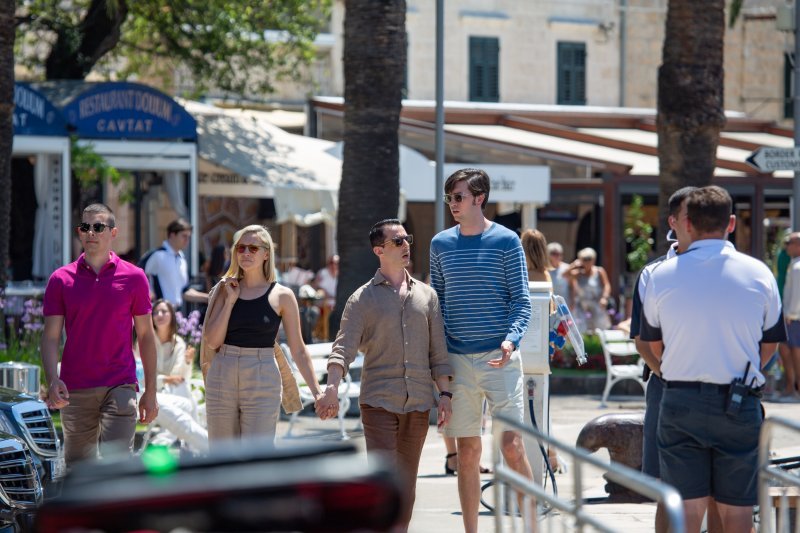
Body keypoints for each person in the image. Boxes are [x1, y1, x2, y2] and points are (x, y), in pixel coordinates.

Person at [641, 185, 786, 533]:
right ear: (731, 223)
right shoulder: (759, 273)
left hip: (680, 399)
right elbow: (771, 346)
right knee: (737, 513)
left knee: (685, 510)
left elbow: (652, 345)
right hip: (739, 400)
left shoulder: (660, 275)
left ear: (687, 223)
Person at [319, 219, 453, 531]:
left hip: (418, 403)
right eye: (398, 241)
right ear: (379, 250)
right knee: (382, 484)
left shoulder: (427, 296)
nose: (406, 245)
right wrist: (331, 389)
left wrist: (445, 395)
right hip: (378, 402)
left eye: (408, 239)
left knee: (406, 487)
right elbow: (343, 348)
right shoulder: (362, 299)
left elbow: (438, 353)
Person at [430, 168, 534, 533]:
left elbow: (522, 300)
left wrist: (511, 339)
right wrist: (438, 361)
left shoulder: (507, 242)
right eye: (449, 198)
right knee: (467, 453)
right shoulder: (440, 243)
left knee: (511, 446)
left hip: (500, 356)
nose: (453, 205)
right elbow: (437, 304)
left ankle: (533, 524)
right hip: (458, 360)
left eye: (458, 197)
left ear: (479, 198)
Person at [41, 203, 159, 466]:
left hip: (120, 384)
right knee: (78, 471)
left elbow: (146, 336)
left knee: (116, 465)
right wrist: (52, 380)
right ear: (79, 232)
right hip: (76, 387)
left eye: (98, 227)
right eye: (85, 227)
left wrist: (151, 391)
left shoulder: (134, 277)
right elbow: (50, 336)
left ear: (113, 233)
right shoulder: (60, 279)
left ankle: (121, 508)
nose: (91, 233)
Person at [201, 225, 329, 445]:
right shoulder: (225, 289)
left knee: (256, 456)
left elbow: (298, 348)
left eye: (253, 248)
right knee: (221, 458)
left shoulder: (283, 295)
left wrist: (317, 392)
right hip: (223, 371)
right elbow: (212, 341)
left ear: (266, 253)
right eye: (241, 248)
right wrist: (230, 301)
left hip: (262, 374)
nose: (246, 253)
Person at [629, 186, 702, 533]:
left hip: (716, 389)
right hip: (665, 386)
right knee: (667, 488)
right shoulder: (653, 272)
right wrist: (670, 375)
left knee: (718, 493)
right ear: (674, 221)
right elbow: (643, 342)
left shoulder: (727, 268)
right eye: (691, 215)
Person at [141, 299, 208, 453]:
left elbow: (180, 376)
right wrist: (164, 379)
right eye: (156, 312)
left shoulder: (178, 343)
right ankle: (193, 447)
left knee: (181, 388)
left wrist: (187, 361)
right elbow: (140, 375)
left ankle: (163, 441)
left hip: (172, 391)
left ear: (171, 315)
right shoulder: (144, 342)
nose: (159, 315)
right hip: (150, 391)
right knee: (188, 403)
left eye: (164, 311)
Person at [144, 218, 207, 308]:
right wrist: (148, 292)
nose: (187, 240)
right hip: (158, 314)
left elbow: (185, 292)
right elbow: (136, 275)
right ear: (172, 235)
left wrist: (208, 298)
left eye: (188, 237)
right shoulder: (157, 255)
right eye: (184, 236)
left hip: (176, 314)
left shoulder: (182, 260)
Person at [565, 247, 612, 333]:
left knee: (600, 330)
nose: (587, 261)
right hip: (582, 307)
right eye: (584, 259)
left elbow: (607, 285)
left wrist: (604, 298)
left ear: (594, 259)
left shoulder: (599, 271)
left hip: (597, 304)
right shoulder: (578, 273)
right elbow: (564, 275)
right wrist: (573, 265)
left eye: (589, 259)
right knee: (581, 330)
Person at [780, 231, 800, 400]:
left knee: (792, 352)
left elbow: (796, 295)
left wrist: (790, 314)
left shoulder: (797, 267)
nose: (787, 246)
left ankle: (793, 389)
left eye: (790, 243)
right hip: (794, 316)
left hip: (793, 317)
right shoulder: (794, 264)